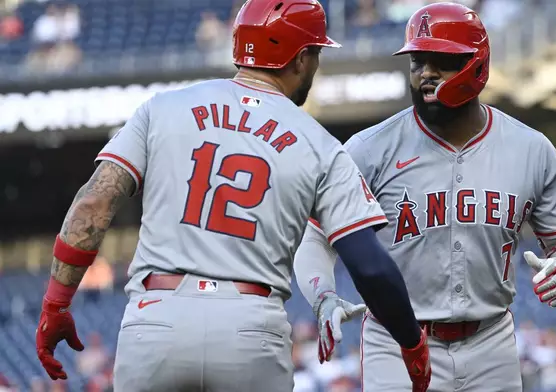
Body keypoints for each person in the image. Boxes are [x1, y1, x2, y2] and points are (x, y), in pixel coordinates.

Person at [33, 1, 431, 391]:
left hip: (156, 321)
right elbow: (371, 267)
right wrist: (412, 343)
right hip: (250, 328)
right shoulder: (321, 145)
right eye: (316, 53)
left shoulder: (162, 108)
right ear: (300, 59)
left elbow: (93, 203)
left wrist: (56, 304)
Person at [293, 2, 556, 391]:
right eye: (417, 61)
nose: (425, 72)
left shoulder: (531, 149)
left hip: (491, 343)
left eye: (441, 60)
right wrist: (323, 294)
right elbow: (316, 236)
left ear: (476, 65)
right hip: (396, 342)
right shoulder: (369, 149)